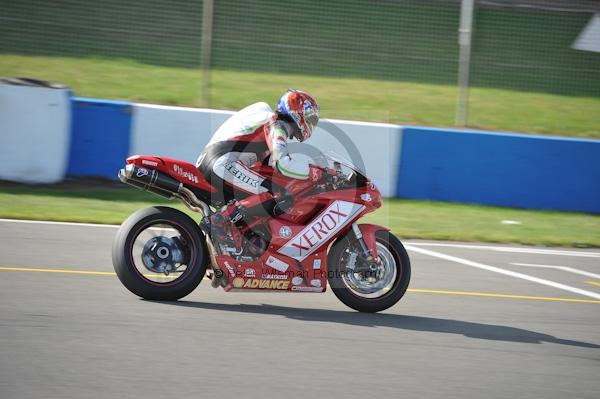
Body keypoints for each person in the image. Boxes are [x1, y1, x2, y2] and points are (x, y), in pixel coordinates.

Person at [196, 89, 320, 241]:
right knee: (280, 195)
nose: (311, 124)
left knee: (264, 195)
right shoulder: (276, 125)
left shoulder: (267, 124)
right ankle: (219, 219)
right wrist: (316, 173)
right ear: (297, 112)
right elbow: (282, 164)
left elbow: (268, 170)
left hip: (218, 161)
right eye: (309, 118)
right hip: (222, 162)